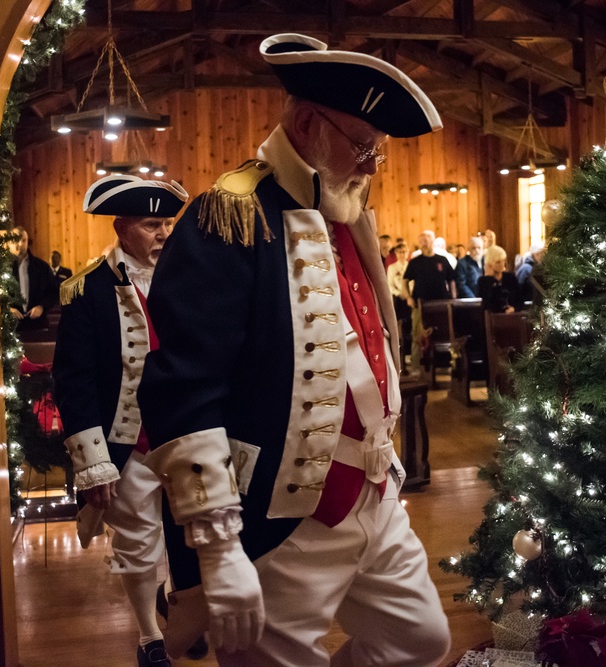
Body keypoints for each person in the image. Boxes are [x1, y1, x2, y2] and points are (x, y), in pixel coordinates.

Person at [137, 33, 451, 667]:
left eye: (377, 155)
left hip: (372, 497)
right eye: (364, 148)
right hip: (281, 518)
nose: (370, 167)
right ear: (308, 124)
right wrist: (220, 550)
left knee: (419, 640)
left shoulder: (346, 212)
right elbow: (184, 390)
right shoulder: (229, 215)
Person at [53, 174, 192, 667]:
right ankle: (149, 637)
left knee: (190, 530)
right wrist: (93, 464)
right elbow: (74, 380)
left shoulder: (189, 276)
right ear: (121, 227)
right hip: (126, 440)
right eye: (152, 224)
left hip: (185, 434)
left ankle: (184, 608)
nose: (163, 234)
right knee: (137, 542)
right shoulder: (86, 290)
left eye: (168, 223)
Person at [8, 226, 57, 331]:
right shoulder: (1, 268)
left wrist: (42, 306)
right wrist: (7, 309)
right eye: (16, 240)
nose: (20, 244)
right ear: (9, 243)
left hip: (37, 323)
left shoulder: (41, 267)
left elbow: (53, 292)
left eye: (24, 240)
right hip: (10, 327)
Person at [402, 229, 456, 305]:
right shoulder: (414, 262)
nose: (423, 244)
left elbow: (451, 279)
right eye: (420, 242)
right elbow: (405, 281)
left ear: (432, 242)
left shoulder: (442, 260)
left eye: (425, 241)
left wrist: (453, 297)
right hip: (419, 303)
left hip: (442, 302)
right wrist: (408, 297)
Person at [478, 245, 522, 313]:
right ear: (490, 264)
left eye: (503, 261)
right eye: (498, 262)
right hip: (492, 318)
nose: (502, 264)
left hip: (511, 317)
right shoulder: (483, 281)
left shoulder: (511, 278)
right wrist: (489, 278)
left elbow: (520, 300)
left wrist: (514, 308)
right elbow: (488, 303)